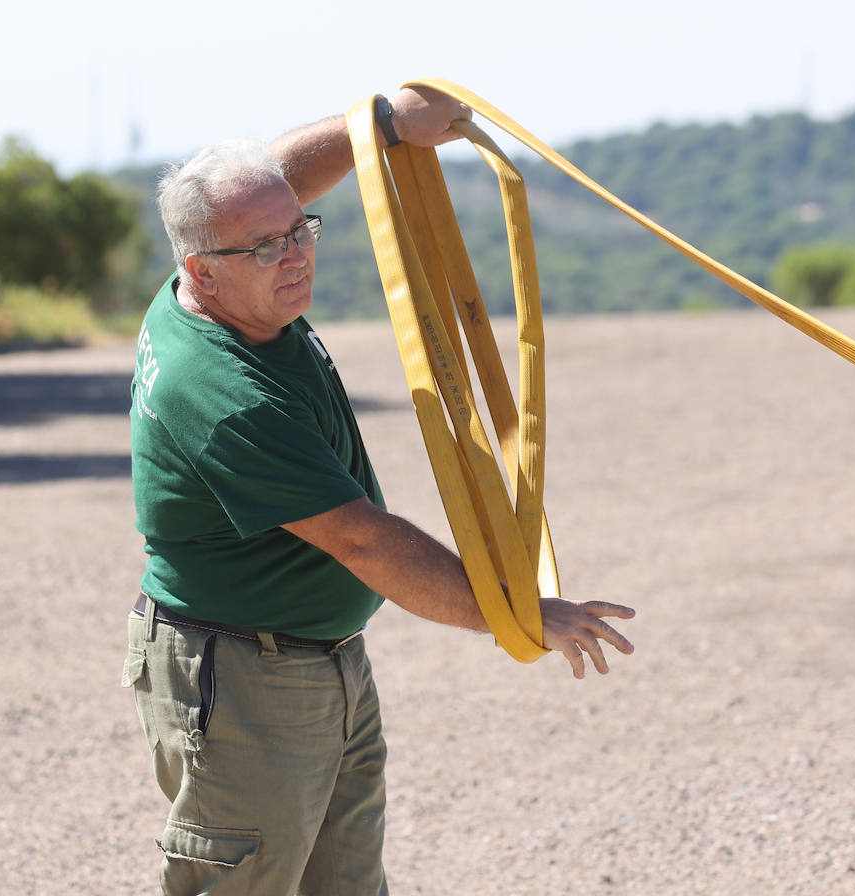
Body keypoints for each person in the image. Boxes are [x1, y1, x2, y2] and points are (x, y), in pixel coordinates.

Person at [123, 86, 636, 896]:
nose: (296, 255)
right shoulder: (225, 394)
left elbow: (275, 177)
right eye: (268, 248)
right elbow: (361, 538)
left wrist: (387, 121)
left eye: (300, 231)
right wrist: (514, 612)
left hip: (317, 657)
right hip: (245, 676)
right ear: (203, 270)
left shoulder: (213, 269)